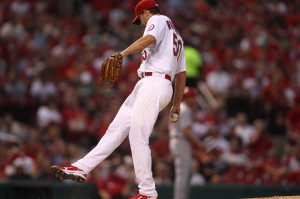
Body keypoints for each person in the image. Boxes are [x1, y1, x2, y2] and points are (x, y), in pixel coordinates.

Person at [50, 0, 186, 199]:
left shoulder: (158, 19)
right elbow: (181, 74)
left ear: (146, 12)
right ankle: (81, 167)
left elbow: (148, 38)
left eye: (139, 18)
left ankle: (148, 191)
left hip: (154, 83)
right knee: (116, 129)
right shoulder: (178, 37)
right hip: (152, 85)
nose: (140, 23)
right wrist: (176, 104)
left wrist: (122, 53)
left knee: (138, 135)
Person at [169, 87, 204, 199]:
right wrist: (198, 143)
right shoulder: (185, 109)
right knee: (183, 174)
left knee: (187, 171)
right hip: (180, 141)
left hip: (177, 140)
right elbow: (186, 130)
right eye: (193, 97)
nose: (194, 100)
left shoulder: (178, 108)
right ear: (188, 98)